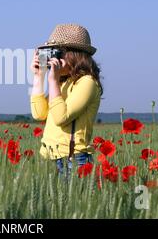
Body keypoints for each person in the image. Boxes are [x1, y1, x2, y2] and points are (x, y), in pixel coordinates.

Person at [30, 23, 104, 179]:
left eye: (57, 52)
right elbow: (39, 114)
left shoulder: (87, 82)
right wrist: (38, 77)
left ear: (74, 55)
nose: (51, 58)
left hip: (72, 158)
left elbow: (61, 117)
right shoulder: (63, 82)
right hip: (48, 156)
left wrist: (53, 81)